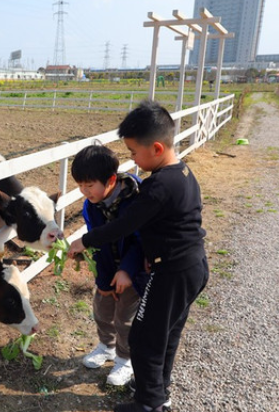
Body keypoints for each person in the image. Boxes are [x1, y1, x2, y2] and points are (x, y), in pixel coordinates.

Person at [68, 100, 209, 412]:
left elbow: (124, 226)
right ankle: (158, 391)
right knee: (166, 333)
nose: (131, 158)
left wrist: (84, 240)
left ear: (156, 148)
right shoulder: (182, 172)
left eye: (133, 152)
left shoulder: (158, 186)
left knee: (145, 337)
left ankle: (149, 403)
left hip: (172, 272)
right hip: (191, 265)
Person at [70, 144, 150, 387]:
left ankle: (126, 359)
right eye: (80, 185)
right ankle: (106, 346)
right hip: (107, 266)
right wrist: (103, 280)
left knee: (125, 318)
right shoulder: (91, 206)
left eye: (89, 185)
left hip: (133, 274)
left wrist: (127, 270)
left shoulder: (136, 201)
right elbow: (99, 241)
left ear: (111, 180)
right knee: (102, 309)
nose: (84, 191)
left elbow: (140, 241)